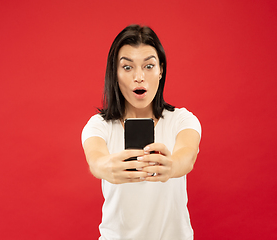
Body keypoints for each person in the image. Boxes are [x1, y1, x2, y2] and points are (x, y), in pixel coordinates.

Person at [81, 24, 201, 240]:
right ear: (115, 73)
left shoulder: (182, 120)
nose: (139, 77)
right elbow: (95, 158)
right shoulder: (99, 125)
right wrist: (105, 167)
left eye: (148, 66)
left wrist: (172, 166)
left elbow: (188, 155)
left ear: (161, 70)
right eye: (127, 67)